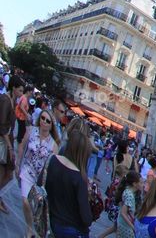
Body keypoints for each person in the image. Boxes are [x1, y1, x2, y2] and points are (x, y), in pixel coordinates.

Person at [47, 120, 93, 238]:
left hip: (52, 221)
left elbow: (42, 184)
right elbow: (87, 219)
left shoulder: (53, 160)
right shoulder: (79, 178)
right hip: (72, 229)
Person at [18, 105, 60, 234]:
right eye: (43, 118)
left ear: (51, 125)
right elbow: (21, 146)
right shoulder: (31, 130)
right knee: (25, 200)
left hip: (39, 179)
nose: (44, 122)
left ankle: (30, 227)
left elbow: (54, 165)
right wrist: (17, 164)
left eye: (48, 121)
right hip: (27, 171)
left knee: (32, 205)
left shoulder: (53, 145)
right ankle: (30, 229)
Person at [0, 74, 25, 213]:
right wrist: (9, 146)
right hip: (4, 140)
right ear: (14, 88)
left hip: (7, 139)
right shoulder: (5, 100)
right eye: (20, 90)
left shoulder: (12, 100)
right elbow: (2, 125)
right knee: (6, 172)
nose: (21, 93)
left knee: (9, 173)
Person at [109, 169, 142, 238]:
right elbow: (123, 213)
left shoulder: (127, 190)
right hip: (126, 226)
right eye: (141, 183)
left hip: (122, 223)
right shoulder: (130, 195)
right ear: (134, 184)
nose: (143, 185)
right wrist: (133, 227)